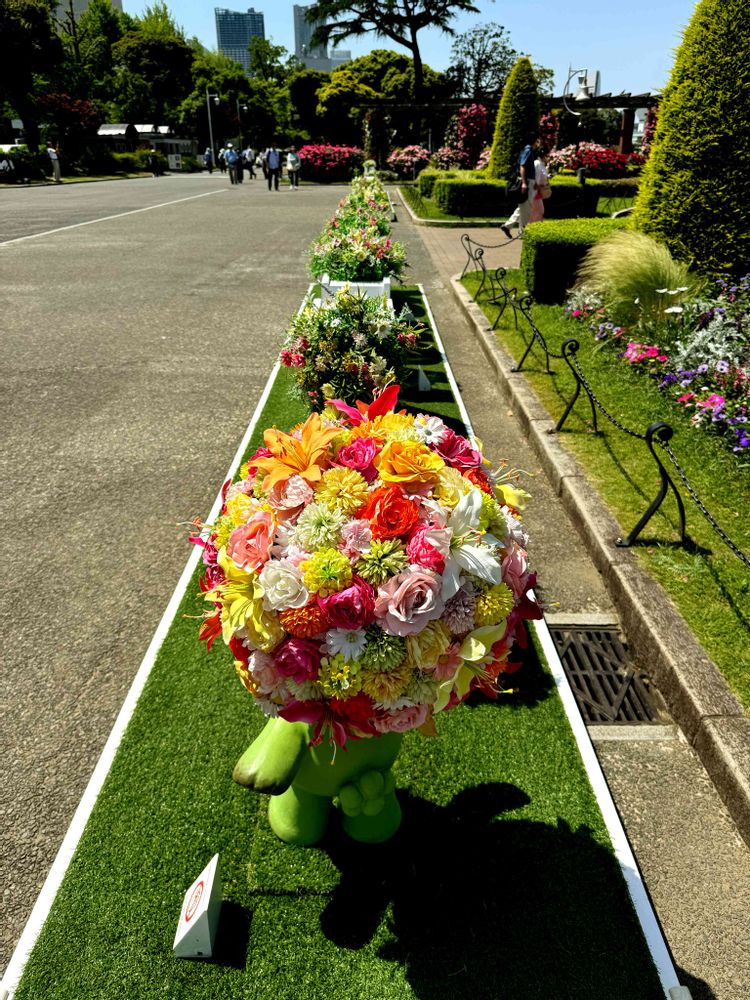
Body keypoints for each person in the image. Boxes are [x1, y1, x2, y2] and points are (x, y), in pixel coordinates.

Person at [501, 135, 540, 238]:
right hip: (527, 181)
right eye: (538, 141)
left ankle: (507, 226)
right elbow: (522, 167)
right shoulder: (528, 150)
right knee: (526, 207)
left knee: (523, 206)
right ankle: (522, 232)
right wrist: (524, 183)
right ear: (534, 141)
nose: (538, 143)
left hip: (529, 181)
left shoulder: (529, 150)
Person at [529, 148, 551, 225]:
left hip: (539, 190)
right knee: (538, 210)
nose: (548, 158)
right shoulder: (537, 163)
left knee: (538, 210)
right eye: (547, 156)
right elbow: (536, 176)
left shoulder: (542, 164)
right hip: (535, 190)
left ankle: (535, 226)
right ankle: (533, 226)